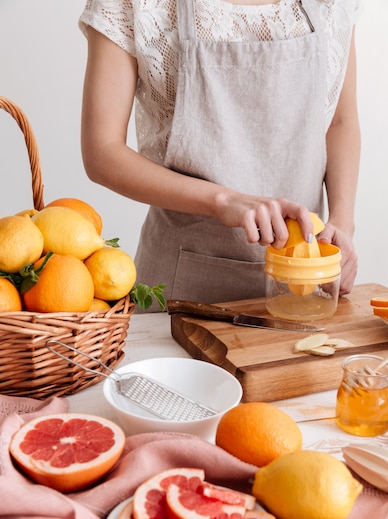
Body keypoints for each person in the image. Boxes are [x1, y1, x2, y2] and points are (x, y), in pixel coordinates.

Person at [79, 0, 361, 310]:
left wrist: (342, 222)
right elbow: (102, 152)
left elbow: (339, 121)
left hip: (306, 289)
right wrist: (224, 201)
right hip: (181, 290)